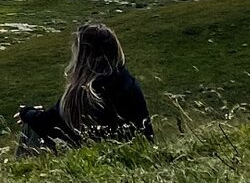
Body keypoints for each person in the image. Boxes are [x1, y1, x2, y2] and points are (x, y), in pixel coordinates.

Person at [16, 23, 153, 151]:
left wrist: (26, 113)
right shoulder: (127, 82)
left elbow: (49, 124)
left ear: (82, 57)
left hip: (95, 157)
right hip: (133, 153)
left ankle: (22, 172)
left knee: (31, 128)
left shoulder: (84, 92)